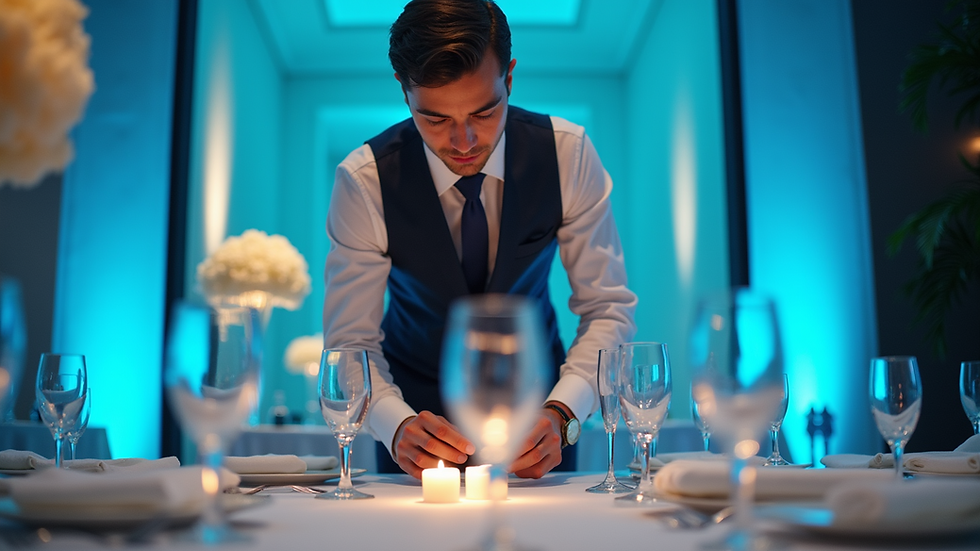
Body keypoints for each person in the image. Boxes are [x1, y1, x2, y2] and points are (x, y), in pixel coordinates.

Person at [323, 0, 636, 479]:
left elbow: (607, 308)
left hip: (541, 424)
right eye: (436, 119)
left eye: (485, 112)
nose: (464, 141)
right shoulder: (363, 182)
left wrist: (564, 413)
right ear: (404, 91)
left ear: (509, 78)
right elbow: (350, 344)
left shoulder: (567, 155)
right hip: (416, 427)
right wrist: (394, 424)